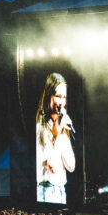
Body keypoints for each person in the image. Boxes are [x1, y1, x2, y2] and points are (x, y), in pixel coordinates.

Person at [35, 72, 76, 204]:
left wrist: (62, 134)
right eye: (58, 96)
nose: (62, 102)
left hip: (60, 191)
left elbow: (71, 166)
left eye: (64, 97)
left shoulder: (61, 125)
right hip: (46, 191)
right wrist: (57, 133)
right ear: (48, 96)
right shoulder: (41, 126)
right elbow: (50, 165)